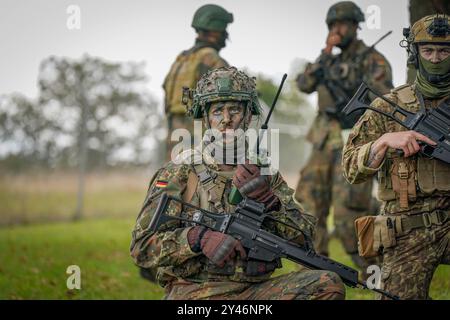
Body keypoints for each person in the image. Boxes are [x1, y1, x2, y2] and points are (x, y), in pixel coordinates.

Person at [131, 67, 345, 300]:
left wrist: (271, 202)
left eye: (234, 110)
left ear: (246, 116)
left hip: (254, 293)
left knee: (327, 284)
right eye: (217, 111)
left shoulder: (263, 173)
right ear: (206, 118)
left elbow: (305, 238)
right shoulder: (180, 171)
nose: (226, 120)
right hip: (194, 293)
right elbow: (142, 248)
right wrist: (197, 239)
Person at [342, 14, 450, 299]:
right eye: (428, 50)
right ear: (415, 53)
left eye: (444, 50)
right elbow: (351, 169)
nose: (436, 58)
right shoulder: (388, 106)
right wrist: (383, 142)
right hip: (409, 226)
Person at [294, 1, 393, 274]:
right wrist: (324, 54)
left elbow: (385, 101)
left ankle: (376, 272)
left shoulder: (372, 59)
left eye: (342, 25)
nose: (336, 30)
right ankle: (315, 272)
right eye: (332, 26)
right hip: (324, 139)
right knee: (309, 205)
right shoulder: (328, 60)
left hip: (356, 139)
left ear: (355, 25)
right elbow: (304, 84)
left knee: (348, 212)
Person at [162, 4, 233, 162]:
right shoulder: (211, 58)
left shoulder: (182, 60)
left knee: (173, 180)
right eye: (224, 29)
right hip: (197, 134)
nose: (226, 34)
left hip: (174, 133)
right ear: (215, 29)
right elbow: (228, 100)